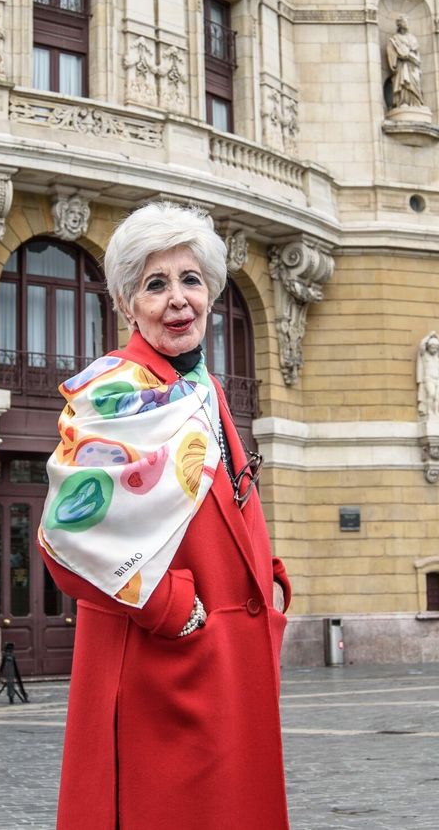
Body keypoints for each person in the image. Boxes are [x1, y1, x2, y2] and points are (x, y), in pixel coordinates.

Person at [39, 201, 292, 830]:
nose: (178, 299)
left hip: (228, 652)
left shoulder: (198, 383)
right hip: (164, 665)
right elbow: (70, 535)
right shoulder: (114, 392)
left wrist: (268, 574)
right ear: (128, 304)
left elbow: (219, 497)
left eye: (191, 280)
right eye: (156, 284)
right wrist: (172, 611)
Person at [386, 15, 424, 108]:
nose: (406, 24)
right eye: (404, 22)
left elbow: (416, 51)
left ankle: (416, 103)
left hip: (412, 64)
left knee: (414, 81)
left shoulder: (412, 38)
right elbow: (391, 53)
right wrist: (398, 56)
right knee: (403, 82)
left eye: (407, 22)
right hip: (402, 65)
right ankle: (403, 102)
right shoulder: (395, 38)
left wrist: (410, 54)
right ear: (400, 24)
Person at [416, 331, 439, 419]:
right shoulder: (425, 355)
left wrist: (437, 336)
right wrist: (429, 336)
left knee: (436, 397)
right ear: (428, 347)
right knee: (431, 394)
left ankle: (436, 412)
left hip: (437, 379)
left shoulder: (437, 356)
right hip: (428, 378)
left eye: (436, 347)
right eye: (432, 346)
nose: (434, 348)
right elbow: (422, 345)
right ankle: (429, 411)